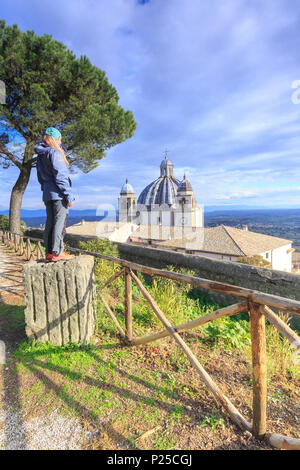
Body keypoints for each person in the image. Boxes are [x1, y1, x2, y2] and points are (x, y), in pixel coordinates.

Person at [35, 127, 75, 262]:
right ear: (56, 139)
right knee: (59, 223)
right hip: (58, 195)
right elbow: (61, 176)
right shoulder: (55, 152)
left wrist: (45, 190)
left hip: (47, 194)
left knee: (50, 222)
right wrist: (69, 196)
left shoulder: (40, 155)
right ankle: (57, 252)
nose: (61, 141)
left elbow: (40, 177)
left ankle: (49, 253)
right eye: (60, 139)